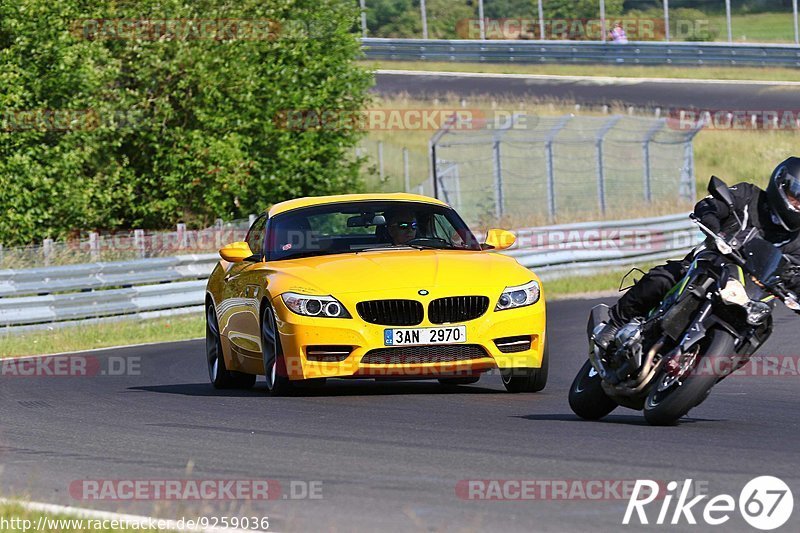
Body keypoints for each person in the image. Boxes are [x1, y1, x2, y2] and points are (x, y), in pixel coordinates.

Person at [594, 156, 800, 349]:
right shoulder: (749, 196)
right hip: (708, 267)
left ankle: (711, 369)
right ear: (780, 184)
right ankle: (615, 323)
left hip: (750, 295)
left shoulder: (797, 241)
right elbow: (712, 205)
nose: (798, 203)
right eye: (796, 195)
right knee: (663, 278)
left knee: (761, 328)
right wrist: (712, 223)